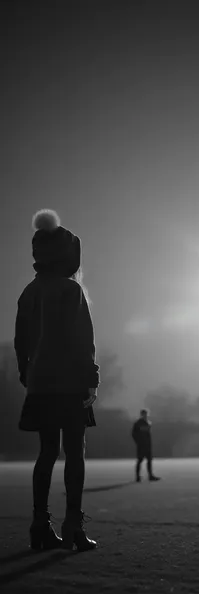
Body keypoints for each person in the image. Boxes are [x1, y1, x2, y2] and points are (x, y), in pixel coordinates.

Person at [14, 209, 99, 552]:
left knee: (46, 453)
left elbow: (21, 343)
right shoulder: (70, 290)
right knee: (74, 452)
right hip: (69, 383)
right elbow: (83, 340)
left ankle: (40, 524)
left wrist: (27, 375)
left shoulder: (29, 292)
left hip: (41, 385)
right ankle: (73, 526)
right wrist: (91, 379)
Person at [132, 409, 160, 482]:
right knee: (140, 460)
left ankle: (150, 475)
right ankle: (137, 477)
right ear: (142, 415)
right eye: (144, 414)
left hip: (148, 445)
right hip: (141, 445)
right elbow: (134, 434)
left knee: (149, 460)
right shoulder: (138, 423)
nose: (145, 415)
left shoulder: (148, 423)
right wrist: (138, 442)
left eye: (146, 414)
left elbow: (148, 435)